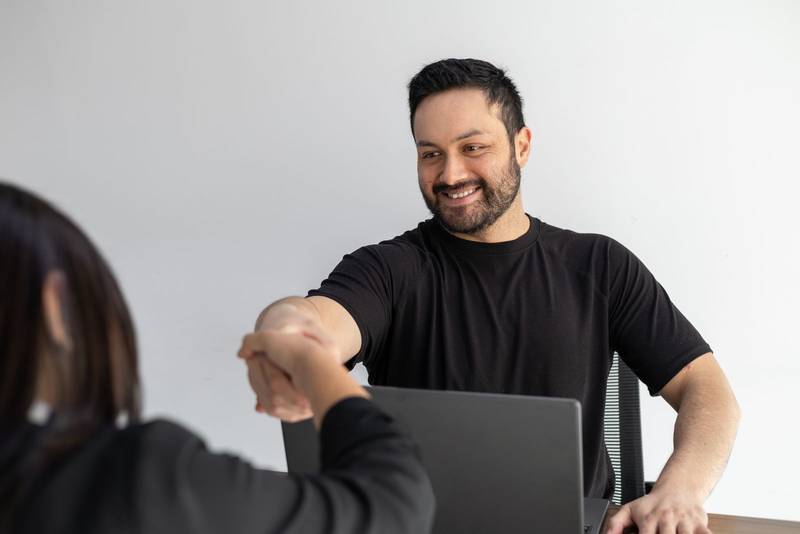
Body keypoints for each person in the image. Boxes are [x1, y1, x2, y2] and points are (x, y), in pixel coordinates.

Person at [248, 58, 740, 534]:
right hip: (413, 523)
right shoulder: (389, 268)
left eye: (473, 147)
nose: (450, 174)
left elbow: (708, 391)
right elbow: (315, 319)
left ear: (521, 146)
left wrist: (680, 490)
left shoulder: (600, 265)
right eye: (430, 153)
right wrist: (281, 330)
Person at [0, 182, 434, 534]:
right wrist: (306, 357)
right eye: (429, 152)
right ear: (56, 306)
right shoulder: (126, 482)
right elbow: (394, 503)